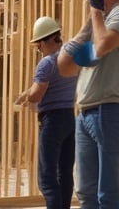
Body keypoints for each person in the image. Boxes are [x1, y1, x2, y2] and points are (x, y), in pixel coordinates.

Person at [57, 0, 119, 209]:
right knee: (86, 192)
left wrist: (95, 12)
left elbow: (103, 44)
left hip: (109, 110)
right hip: (85, 113)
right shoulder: (97, 25)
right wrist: (87, 26)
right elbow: (65, 67)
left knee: (106, 192)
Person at [15, 17, 78, 209]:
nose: (38, 50)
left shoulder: (46, 63)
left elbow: (37, 93)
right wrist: (27, 93)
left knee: (47, 178)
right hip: (70, 119)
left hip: (52, 122)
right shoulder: (70, 59)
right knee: (65, 173)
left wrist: (26, 98)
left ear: (43, 41)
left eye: (38, 45)